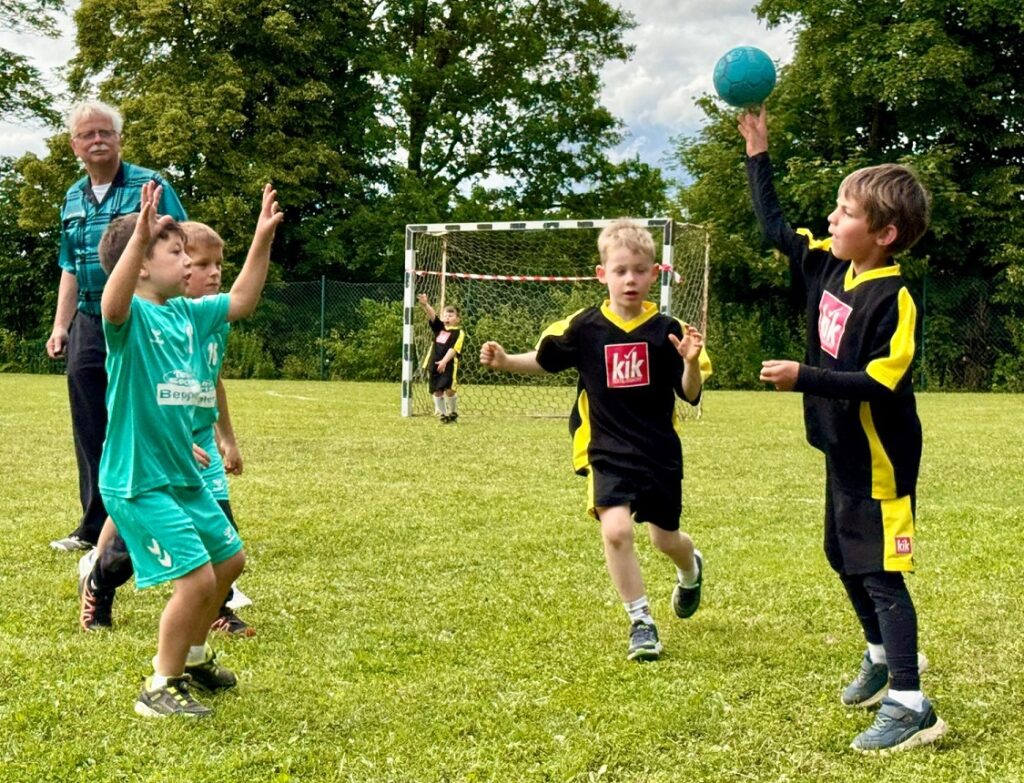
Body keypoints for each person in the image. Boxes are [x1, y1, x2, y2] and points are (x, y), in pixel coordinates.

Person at [738, 107, 947, 752]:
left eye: (846, 212)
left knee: (881, 571)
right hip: (840, 448)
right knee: (839, 553)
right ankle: (880, 655)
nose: (832, 219)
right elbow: (776, 227)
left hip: (880, 458)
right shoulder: (830, 263)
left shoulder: (894, 300)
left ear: (884, 233)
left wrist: (804, 376)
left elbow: (880, 382)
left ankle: (912, 703)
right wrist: (758, 154)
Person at [479, 219, 711, 661]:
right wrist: (507, 361)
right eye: (621, 270)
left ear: (653, 274)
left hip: (659, 451)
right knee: (618, 529)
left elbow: (691, 393)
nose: (630, 279)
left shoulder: (669, 330)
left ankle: (690, 569)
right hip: (605, 448)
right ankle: (641, 621)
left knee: (666, 540)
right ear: (602, 274)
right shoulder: (583, 327)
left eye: (640, 270)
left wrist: (692, 363)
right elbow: (546, 361)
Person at [97, 180, 281, 717]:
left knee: (230, 561)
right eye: (173, 251)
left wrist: (261, 238)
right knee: (197, 579)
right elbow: (112, 301)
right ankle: (159, 686)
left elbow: (243, 300)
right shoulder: (129, 319)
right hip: (139, 481)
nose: (187, 261)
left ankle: (195, 656)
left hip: (181, 471)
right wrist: (139, 237)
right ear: (142, 266)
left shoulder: (188, 313)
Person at [77, 221, 254, 638]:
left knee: (223, 540)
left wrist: (224, 438)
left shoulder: (204, 317)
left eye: (214, 264)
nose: (202, 268)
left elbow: (211, 383)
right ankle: (100, 583)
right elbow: (114, 309)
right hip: (150, 460)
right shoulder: (140, 315)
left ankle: (217, 611)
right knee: (130, 551)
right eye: (185, 256)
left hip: (191, 449)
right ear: (144, 265)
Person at [47, 100, 187, 552]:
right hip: (89, 319)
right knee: (90, 421)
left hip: (141, 318)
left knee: (146, 417)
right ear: (75, 146)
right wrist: (60, 326)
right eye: (87, 135)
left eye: (105, 132)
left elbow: (182, 244)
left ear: (120, 138)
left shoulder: (153, 185)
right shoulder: (71, 198)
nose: (97, 141)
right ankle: (94, 527)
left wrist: (182, 313)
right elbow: (70, 266)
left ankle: (164, 516)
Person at [417, 293, 465, 422]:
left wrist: (444, 361)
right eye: (445, 315)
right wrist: (425, 305)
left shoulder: (458, 332)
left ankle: (453, 412)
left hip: (448, 365)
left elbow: (454, 349)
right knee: (436, 390)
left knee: (449, 390)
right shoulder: (439, 328)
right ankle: (443, 415)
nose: (447, 317)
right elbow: (433, 316)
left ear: (457, 319)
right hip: (433, 363)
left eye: (451, 315)